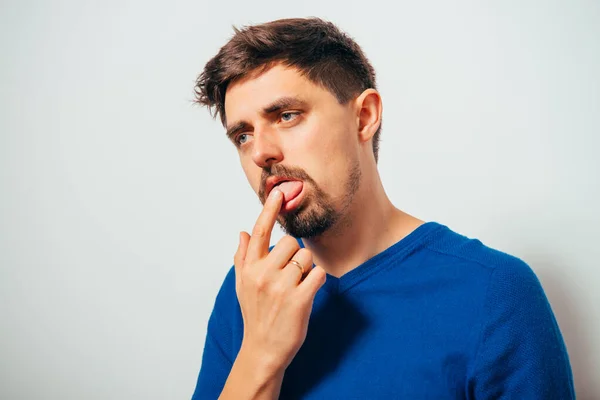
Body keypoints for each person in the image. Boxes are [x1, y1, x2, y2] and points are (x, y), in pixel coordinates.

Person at [190, 17, 575, 399]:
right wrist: (260, 353)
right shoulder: (250, 291)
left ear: (364, 116)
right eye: (243, 135)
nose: (260, 153)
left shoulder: (496, 292)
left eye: (287, 116)